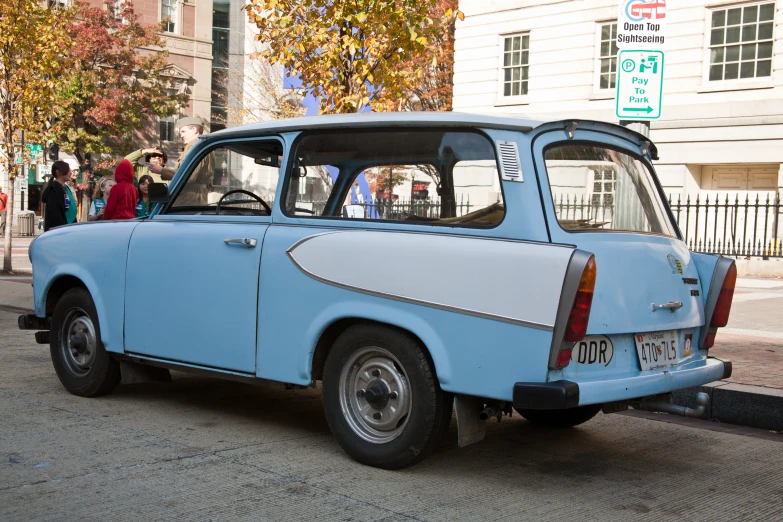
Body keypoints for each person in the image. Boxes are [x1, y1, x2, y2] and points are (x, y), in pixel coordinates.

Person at [160, 116, 213, 206]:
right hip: (195, 199)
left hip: (188, 200)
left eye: (183, 131)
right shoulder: (203, 146)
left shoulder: (195, 147)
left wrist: (161, 170)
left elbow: (189, 176)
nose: (181, 135)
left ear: (194, 130)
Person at [41, 161, 72, 231]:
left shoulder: (63, 188)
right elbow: (55, 214)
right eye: (68, 170)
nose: (70, 173)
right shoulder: (54, 189)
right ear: (58, 172)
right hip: (57, 231)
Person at [64, 159, 79, 224]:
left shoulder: (72, 185)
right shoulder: (64, 185)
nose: (76, 173)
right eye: (73, 171)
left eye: (77, 170)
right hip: (67, 220)